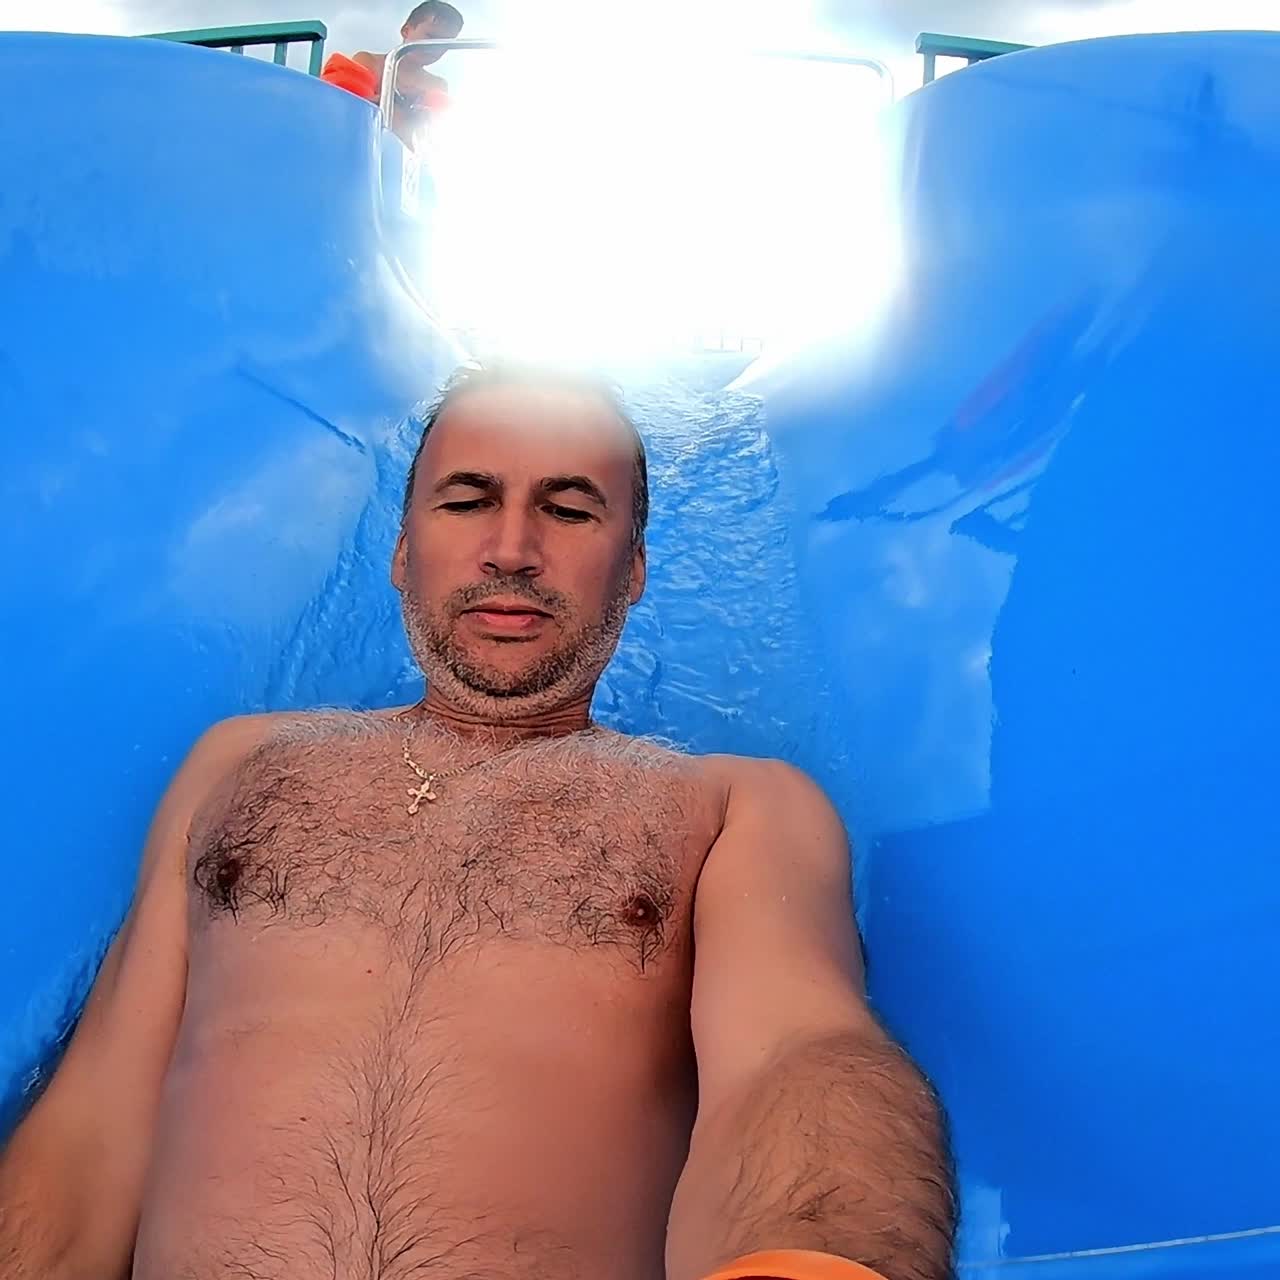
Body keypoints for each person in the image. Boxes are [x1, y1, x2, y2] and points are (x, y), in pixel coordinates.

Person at [0, 365, 955, 1280]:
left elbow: (798, 1055)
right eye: (467, 500)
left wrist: (808, 1265)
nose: (510, 548)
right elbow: (91, 1128)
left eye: (570, 509)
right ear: (403, 550)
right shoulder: (238, 764)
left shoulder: (734, 806)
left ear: (632, 571)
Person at [322, 1, 464, 145]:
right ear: (406, 30)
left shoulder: (437, 85)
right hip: (367, 147)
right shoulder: (369, 61)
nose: (434, 48)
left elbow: (437, 138)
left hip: (409, 161)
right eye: (430, 36)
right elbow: (347, 111)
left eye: (444, 43)